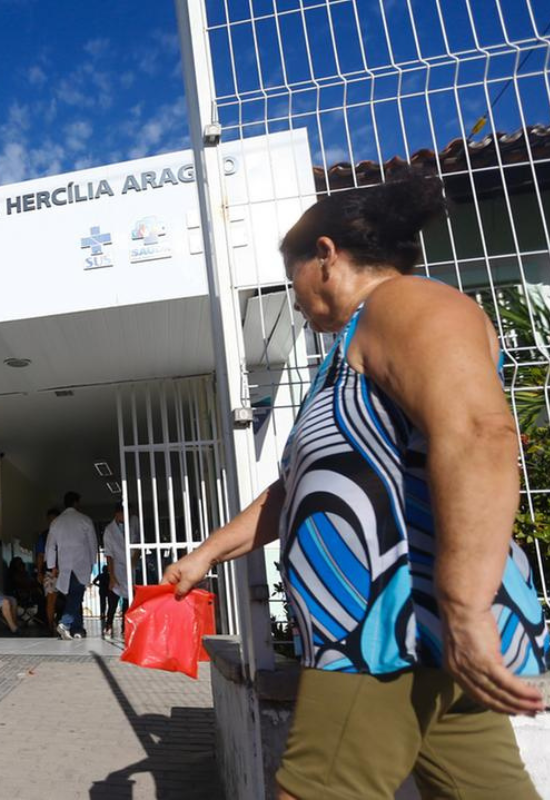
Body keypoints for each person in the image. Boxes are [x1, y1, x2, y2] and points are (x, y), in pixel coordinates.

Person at [166, 175, 548, 800]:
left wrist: (464, 604)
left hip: (384, 628)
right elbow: (294, 491)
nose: (292, 300)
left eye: (291, 280)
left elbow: (479, 432)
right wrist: (205, 555)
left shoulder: (402, 305)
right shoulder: (345, 354)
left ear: (326, 255)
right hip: (418, 639)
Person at [45, 492, 97, 640]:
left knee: (74, 596)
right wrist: (93, 562)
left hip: (64, 565)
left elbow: (50, 546)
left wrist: (52, 565)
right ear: (76, 503)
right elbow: (93, 544)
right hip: (81, 563)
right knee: (77, 594)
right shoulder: (85, 520)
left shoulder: (56, 522)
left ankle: (78, 629)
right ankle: (66, 623)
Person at [102, 505, 129, 638]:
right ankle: (108, 624)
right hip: (116, 568)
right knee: (113, 600)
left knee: (128, 601)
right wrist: (111, 575)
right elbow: (109, 554)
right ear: (117, 514)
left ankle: (126, 626)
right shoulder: (109, 530)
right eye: (124, 514)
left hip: (129, 568)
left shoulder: (131, 526)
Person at [35, 508, 60, 632]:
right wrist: (39, 572)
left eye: (54, 519)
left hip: (62, 571)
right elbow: (40, 555)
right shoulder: (44, 535)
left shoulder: (48, 535)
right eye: (50, 520)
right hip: (50, 572)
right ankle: (50, 625)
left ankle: (56, 624)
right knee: (51, 600)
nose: (52, 522)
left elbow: (40, 555)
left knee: (54, 600)